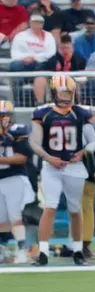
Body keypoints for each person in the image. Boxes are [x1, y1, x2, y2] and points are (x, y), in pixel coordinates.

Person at [26, 77, 95, 264]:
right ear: (53, 92)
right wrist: (49, 158)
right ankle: (43, 252)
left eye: (68, 92)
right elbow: (34, 141)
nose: (65, 97)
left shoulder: (80, 113)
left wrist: (82, 152)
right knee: (50, 207)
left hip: (74, 167)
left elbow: (94, 141)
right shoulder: (43, 113)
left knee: (75, 209)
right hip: (51, 167)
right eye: (62, 92)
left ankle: (78, 250)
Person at [0, 101, 34, 263]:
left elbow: (22, 158)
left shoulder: (17, 131)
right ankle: (3, 250)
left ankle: (21, 250)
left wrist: (2, 159)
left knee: (15, 216)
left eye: (4, 115)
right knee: (1, 219)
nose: (2, 119)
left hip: (14, 178)